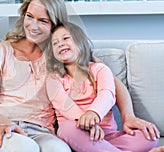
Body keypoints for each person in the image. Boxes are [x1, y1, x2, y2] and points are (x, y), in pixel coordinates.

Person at [0, 0, 160, 152]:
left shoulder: (62, 54)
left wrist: (129, 116)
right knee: (25, 148)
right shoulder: (0, 50)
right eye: (29, 17)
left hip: (42, 130)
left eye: (43, 21)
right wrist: (1, 122)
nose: (33, 26)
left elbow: (112, 84)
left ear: (55, 24)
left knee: (59, 149)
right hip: (2, 127)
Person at [45, 21, 159, 151]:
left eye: (66, 38)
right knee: (66, 129)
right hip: (78, 133)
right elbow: (64, 105)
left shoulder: (100, 69)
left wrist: (94, 113)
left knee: (150, 136)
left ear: (80, 41)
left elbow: (107, 94)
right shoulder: (53, 79)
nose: (60, 43)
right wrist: (86, 124)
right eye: (55, 43)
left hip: (108, 137)